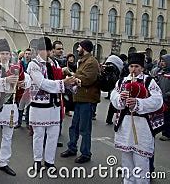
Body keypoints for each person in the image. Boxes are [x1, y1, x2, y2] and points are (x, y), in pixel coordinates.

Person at [0, 39, 31, 177]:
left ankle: (4, 162)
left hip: (11, 107)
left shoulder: (15, 67)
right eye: (2, 53)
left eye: (7, 53)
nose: (4, 56)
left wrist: (23, 83)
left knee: (8, 137)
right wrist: (4, 81)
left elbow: (27, 79)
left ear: (10, 55)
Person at [111, 52, 163, 184]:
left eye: (137, 66)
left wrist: (138, 103)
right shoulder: (122, 81)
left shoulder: (149, 81)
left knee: (141, 165)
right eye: (131, 66)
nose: (133, 69)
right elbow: (113, 96)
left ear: (142, 68)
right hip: (125, 126)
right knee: (127, 164)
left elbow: (157, 100)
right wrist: (120, 99)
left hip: (142, 127)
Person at [27, 37, 76, 172]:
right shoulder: (34, 65)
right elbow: (42, 83)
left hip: (54, 105)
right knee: (39, 135)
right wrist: (63, 83)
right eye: (45, 50)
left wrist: (72, 83)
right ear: (38, 50)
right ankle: (37, 160)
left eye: (49, 50)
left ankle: (49, 161)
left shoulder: (54, 63)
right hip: (39, 106)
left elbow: (60, 80)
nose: (48, 53)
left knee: (53, 135)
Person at [60, 40, 100, 164]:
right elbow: (79, 76)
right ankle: (72, 147)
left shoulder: (92, 62)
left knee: (84, 128)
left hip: (87, 100)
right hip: (79, 98)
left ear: (84, 48)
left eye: (79, 47)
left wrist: (70, 74)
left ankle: (86, 153)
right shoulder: (83, 61)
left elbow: (87, 80)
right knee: (74, 126)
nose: (77, 49)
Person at [16, 48, 32, 129]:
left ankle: (27, 122)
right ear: (24, 54)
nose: (27, 55)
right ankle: (18, 122)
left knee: (28, 105)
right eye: (26, 53)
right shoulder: (20, 63)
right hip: (21, 87)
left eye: (29, 54)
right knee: (20, 105)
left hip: (29, 88)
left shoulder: (32, 64)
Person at [157, 54, 170, 141]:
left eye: (164, 61)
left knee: (168, 116)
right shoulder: (161, 72)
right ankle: (164, 132)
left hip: (168, 98)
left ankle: (167, 134)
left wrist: (168, 94)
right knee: (164, 116)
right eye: (161, 61)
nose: (162, 63)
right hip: (162, 97)